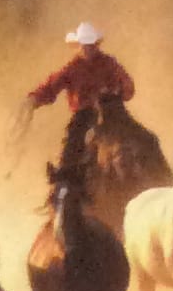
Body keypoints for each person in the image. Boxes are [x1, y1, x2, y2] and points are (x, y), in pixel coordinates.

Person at [28, 22, 139, 177]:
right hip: (83, 116)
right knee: (70, 151)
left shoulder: (109, 63)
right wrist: (34, 99)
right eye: (84, 45)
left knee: (145, 139)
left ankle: (160, 173)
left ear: (96, 45)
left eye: (90, 45)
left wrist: (119, 92)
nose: (88, 49)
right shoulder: (72, 68)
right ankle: (64, 181)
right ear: (79, 46)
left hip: (113, 111)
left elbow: (127, 84)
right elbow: (52, 86)